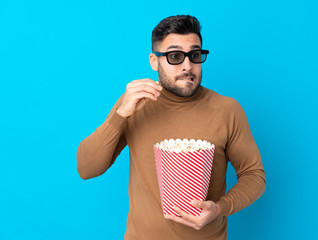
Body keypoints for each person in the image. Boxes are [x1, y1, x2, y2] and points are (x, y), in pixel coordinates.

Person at [77, 15, 266, 240]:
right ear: (154, 61)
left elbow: (254, 176)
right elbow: (87, 168)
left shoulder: (227, 110)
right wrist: (120, 115)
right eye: (175, 56)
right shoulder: (134, 104)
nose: (188, 66)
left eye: (195, 55)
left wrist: (219, 208)